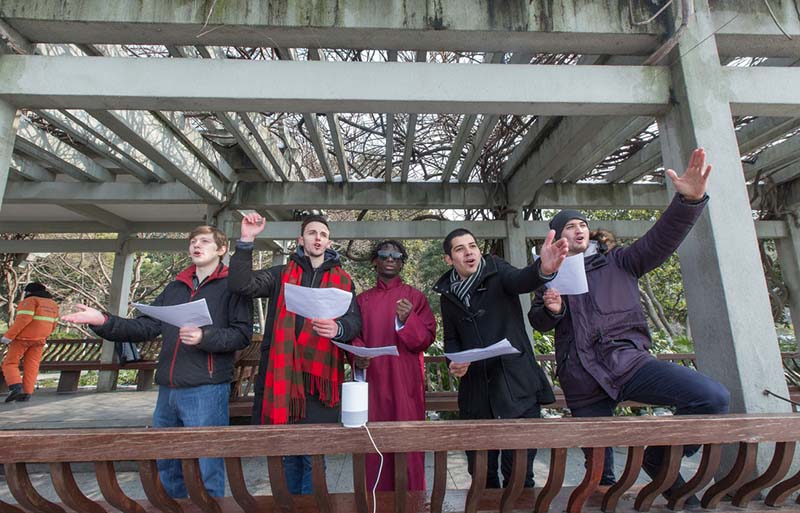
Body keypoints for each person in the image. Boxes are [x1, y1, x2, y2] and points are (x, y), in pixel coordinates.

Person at [528, 148, 730, 497]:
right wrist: (553, 309)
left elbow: (660, 239)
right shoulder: (550, 275)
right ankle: (667, 498)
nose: (579, 230)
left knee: (711, 397)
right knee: (599, 475)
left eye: (582, 225)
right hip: (582, 378)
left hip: (629, 363)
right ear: (557, 237)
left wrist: (689, 201)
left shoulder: (622, 262)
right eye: (570, 227)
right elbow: (539, 322)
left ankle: (660, 459)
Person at [62, 226, 252, 498]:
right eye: (193, 241)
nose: (196, 245)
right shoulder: (176, 286)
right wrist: (103, 320)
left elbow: (242, 335)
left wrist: (203, 337)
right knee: (166, 459)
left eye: (205, 241)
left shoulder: (232, 286)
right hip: (167, 388)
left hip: (207, 388)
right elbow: (146, 328)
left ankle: (211, 506)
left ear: (221, 250)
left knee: (207, 460)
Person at [228, 213, 362, 495]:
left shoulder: (343, 279)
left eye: (323, 234)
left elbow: (354, 322)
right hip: (282, 377)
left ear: (328, 242)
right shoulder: (280, 274)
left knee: (314, 456)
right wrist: (246, 240)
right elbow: (240, 285)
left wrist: (338, 328)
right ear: (301, 240)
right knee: (287, 454)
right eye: (312, 233)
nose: (317, 238)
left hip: (318, 381)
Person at [433, 228, 568, 488]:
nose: (469, 252)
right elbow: (451, 339)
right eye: (460, 249)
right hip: (476, 395)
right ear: (449, 259)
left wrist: (543, 269)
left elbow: (521, 280)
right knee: (483, 477)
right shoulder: (447, 295)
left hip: (516, 387)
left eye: (472, 245)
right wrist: (454, 362)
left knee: (520, 474)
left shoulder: (496, 269)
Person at [351, 240, 436, 491]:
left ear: (402, 262)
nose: (390, 258)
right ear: (374, 261)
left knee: (408, 446)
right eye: (384, 254)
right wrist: (357, 358)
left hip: (405, 383)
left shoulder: (414, 297)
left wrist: (407, 319)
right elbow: (354, 337)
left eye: (397, 255)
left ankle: (413, 503)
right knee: (374, 447)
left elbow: (425, 339)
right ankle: (377, 503)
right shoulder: (361, 300)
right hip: (374, 383)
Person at [2, 282, 59, 402]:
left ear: (28, 292)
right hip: (40, 340)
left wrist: (8, 336)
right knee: (32, 366)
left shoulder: (30, 301)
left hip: (23, 338)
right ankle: (27, 392)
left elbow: (23, 320)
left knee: (10, 363)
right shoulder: (53, 304)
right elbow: (54, 324)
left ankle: (16, 387)